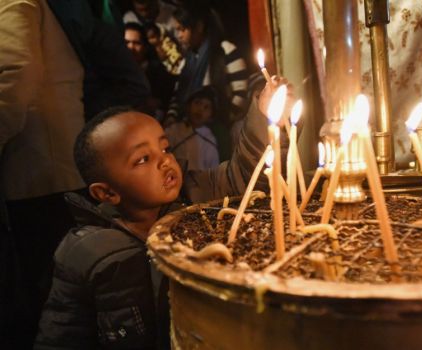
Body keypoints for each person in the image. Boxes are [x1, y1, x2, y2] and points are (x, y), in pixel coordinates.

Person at [35, 77, 292, 348]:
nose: (165, 161)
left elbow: (244, 175)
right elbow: (62, 333)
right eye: (143, 159)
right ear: (107, 193)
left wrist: (265, 117)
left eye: (165, 147)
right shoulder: (85, 252)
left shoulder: (194, 196)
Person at [0, 0, 87, 346]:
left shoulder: (13, 2)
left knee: (54, 296)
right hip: (46, 170)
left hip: (42, 171)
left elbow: (15, 78)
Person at [165, 5, 248, 133]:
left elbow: (241, 93)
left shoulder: (225, 50)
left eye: (182, 29)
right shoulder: (187, 60)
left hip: (221, 130)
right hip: (189, 130)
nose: (179, 35)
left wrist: (222, 122)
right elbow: (178, 95)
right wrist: (171, 118)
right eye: (177, 31)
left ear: (199, 27)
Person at [125, 22, 177, 118]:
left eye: (136, 43)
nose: (131, 47)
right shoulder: (114, 71)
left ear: (145, 47)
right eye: (126, 42)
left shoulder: (160, 73)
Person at [165, 87, 220, 172]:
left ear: (211, 116)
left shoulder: (209, 140)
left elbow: (212, 171)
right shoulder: (174, 130)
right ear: (188, 106)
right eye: (197, 103)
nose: (200, 109)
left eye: (206, 107)